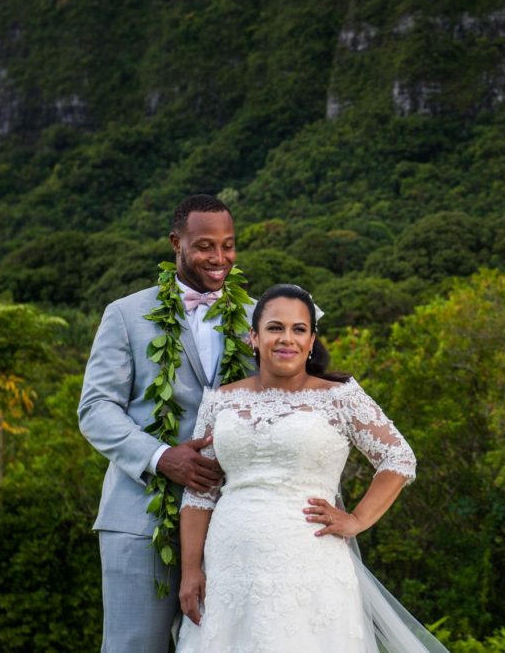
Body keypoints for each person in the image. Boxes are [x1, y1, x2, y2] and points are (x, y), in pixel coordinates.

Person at [174, 284, 447, 652]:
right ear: (254, 337)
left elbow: (398, 458)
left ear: (312, 339)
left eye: (298, 329)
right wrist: (191, 570)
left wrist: (358, 519)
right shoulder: (220, 401)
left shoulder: (340, 396)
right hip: (229, 564)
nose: (287, 339)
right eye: (275, 328)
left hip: (308, 562)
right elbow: (200, 491)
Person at [78, 194, 252, 653]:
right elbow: (95, 408)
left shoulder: (260, 318)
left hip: (233, 522)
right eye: (205, 246)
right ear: (176, 243)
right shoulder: (126, 314)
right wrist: (161, 457)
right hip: (141, 520)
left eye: (229, 246)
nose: (219, 259)